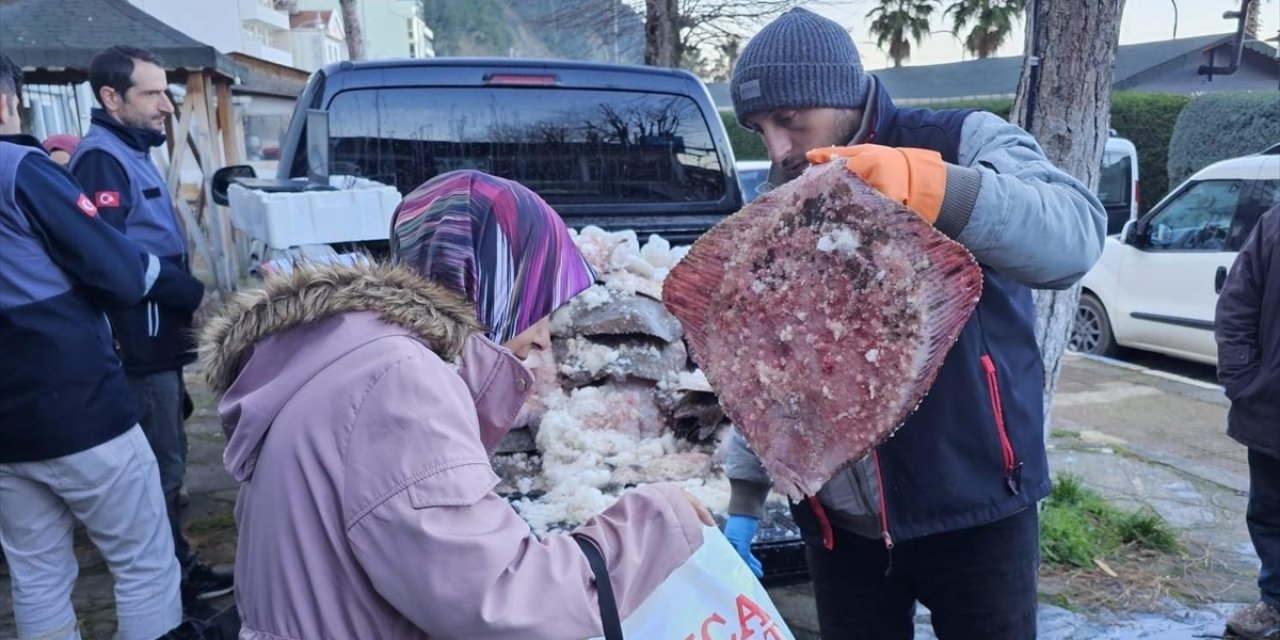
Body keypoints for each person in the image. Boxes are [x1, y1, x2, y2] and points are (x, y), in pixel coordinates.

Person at [196, 170, 715, 639]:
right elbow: (506, 606)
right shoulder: (398, 384)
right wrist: (657, 520)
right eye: (535, 305)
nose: (540, 340)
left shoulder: (344, 350)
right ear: (485, 283)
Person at [721, 9, 1107, 639]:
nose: (778, 149)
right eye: (760, 129)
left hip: (975, 504)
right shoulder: (779, 198)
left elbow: (1074, 238)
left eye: (790, 123)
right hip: (838, 523)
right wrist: (745, 495)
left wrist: (934, 187)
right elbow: (763, 362)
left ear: (842, 96)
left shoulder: (964, 140)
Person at [0, 51, 183, 640]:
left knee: (37, 576)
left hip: (6, 427)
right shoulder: (22, 169)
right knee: (145, 563)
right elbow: (119, 273)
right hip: (76, 404)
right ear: (6, 101)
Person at [67, 45, 232, 608]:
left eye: (168, 91)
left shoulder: (130, 149)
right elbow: (108, 258)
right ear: (111, 98)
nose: (166, 104)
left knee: (171, 449)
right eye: (152, 93)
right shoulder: (102, 159)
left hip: (158, 338)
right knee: (162, 465)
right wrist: (188, 290)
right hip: (137, 344)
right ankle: (171, 584)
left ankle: (172, 567)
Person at [1217, 203, 1280, 640]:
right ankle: (1275, 602)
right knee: (1270, 512)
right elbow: (1238, 302)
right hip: (1274, 407)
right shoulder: (1275, 224)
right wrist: (1243, 380)